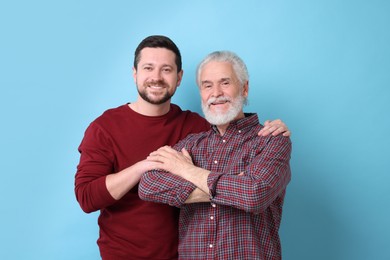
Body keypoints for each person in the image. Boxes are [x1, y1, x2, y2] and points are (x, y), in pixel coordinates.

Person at [75, 35, 290, 259]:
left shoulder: (199, 127)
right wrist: (143, 167)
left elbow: (253, 189)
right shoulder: (105, 127)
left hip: (178, 254)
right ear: (135, 73)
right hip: (123, 254)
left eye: (166, 69)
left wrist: (188, 172)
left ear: (179, 78)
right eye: (148, 68)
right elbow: (118, 191)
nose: (156, 77)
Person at [139, 50, 292, 260]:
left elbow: (253, 195)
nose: (216, 92)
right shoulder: (191, 144)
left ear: (244, 88)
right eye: (207, 85)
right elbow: (148, 184)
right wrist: (231, 188)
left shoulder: (272, 140)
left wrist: (187, 171)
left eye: (225, 83)